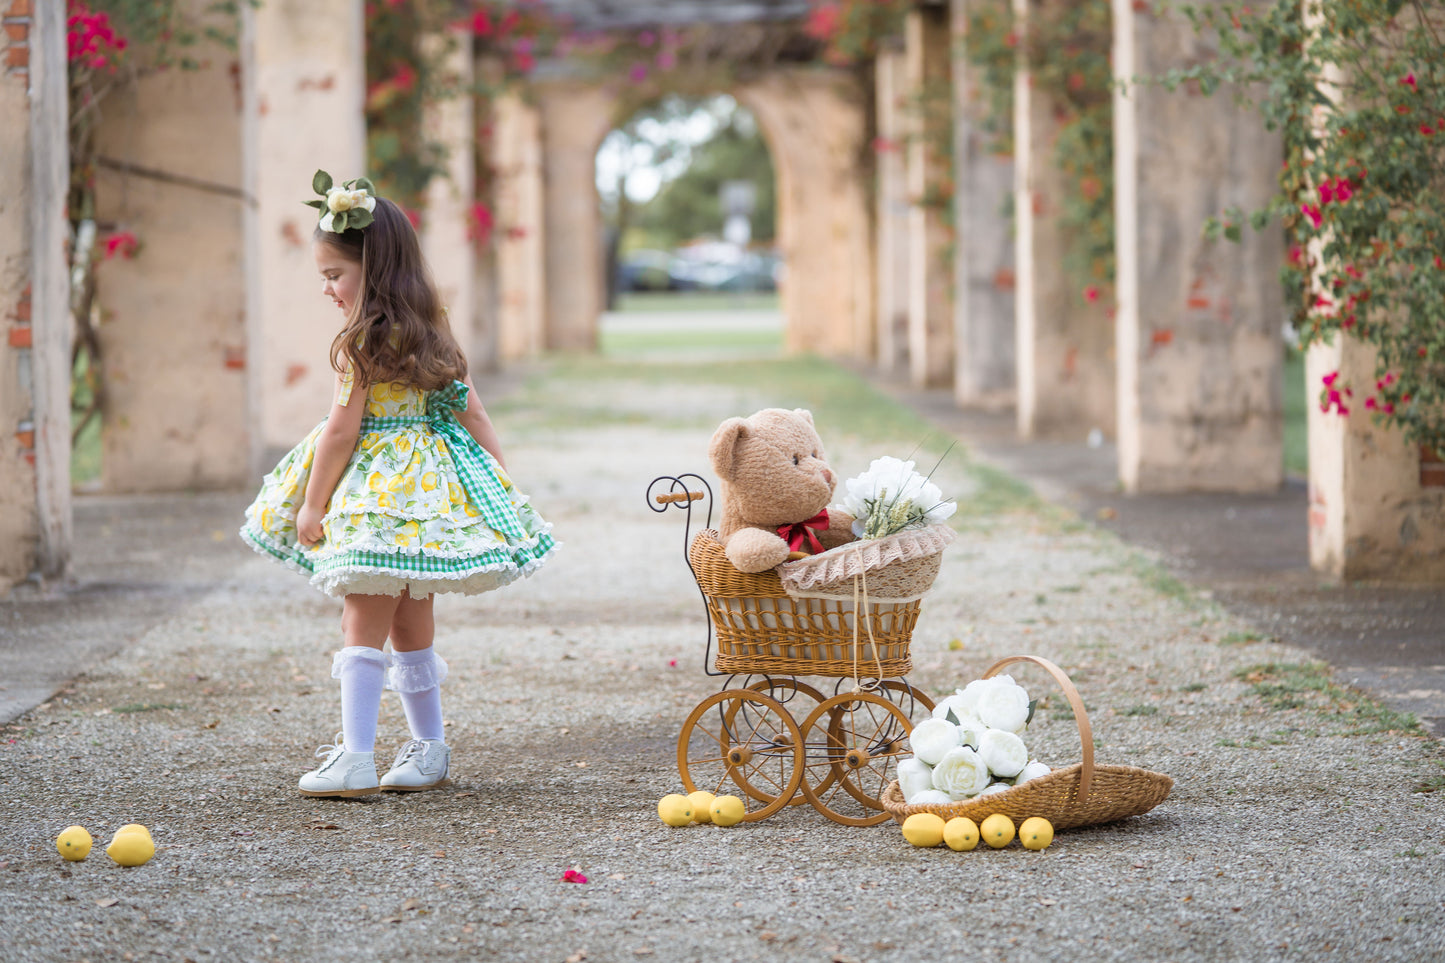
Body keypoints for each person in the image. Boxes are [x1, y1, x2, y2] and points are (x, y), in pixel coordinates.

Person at [240, 171, 557, 798]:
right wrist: (498, 484)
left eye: (334, 275)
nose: (328, 289)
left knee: (361, 623)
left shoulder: (358, 342)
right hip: (429, 501)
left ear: (372, 267)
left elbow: (339, 433)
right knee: (412, 624)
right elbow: (473, 412)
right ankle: (429, 748)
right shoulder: (432, 333)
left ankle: (357, 755)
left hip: (379, 500)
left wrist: (312, 502)